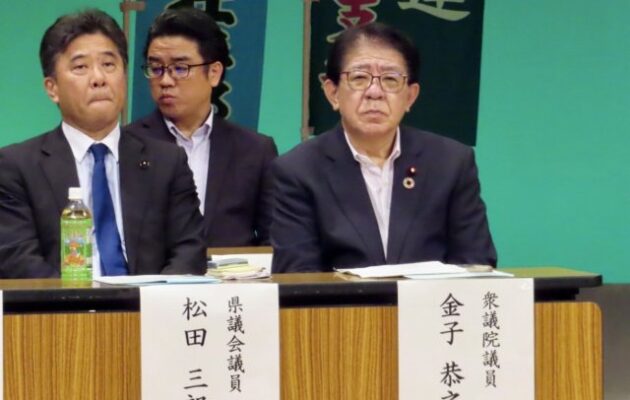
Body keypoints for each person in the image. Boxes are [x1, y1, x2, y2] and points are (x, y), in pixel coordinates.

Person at [271, 22, 496, 273]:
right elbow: (298, 275)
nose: (375, 92)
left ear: (410, 96)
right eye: (359, 78)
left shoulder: (451, 163)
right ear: (332, 93)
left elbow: (475, 262)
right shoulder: (298, 170)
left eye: (390, 79)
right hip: (342, 300)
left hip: (433, 299)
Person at [0, 9, 206, 279]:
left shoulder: (167, 161)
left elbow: (189, 250)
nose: (99, 78)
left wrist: (151, 299)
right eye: (80, 67)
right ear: (52, 88)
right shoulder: (17, 167)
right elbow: (17, 260)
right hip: (63, 304)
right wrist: (81, 302)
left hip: (149, 303)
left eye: (109, 64)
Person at [126, 7, 277, 247]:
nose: (165, 80)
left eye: (180, 68)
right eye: (156, 68)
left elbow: (275, 239)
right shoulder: (127, 144)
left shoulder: (256, 151)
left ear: (214, 73)